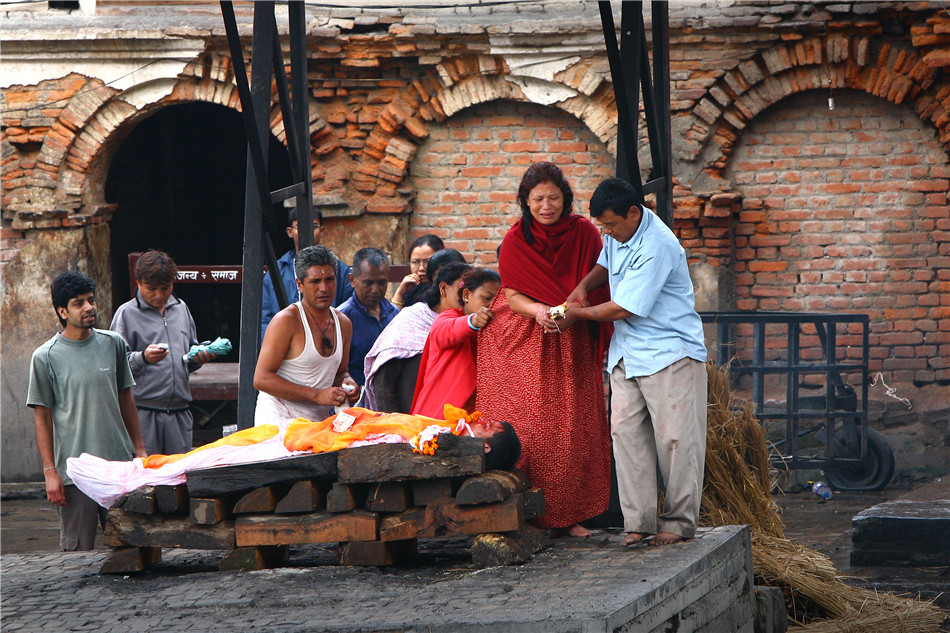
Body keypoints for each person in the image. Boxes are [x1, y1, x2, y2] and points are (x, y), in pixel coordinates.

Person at [557, 177, 708, 547]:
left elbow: (624, 307)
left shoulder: (658, 245)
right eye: (602, 227)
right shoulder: (619, 233)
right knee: (626, 436)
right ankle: (638, 520)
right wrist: (582, 287)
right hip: (627, 353)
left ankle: (677, 522)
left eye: (611, 225)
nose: (607, 233)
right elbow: (605, 262)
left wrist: (577, 314)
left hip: (670, 352)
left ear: (634, 213)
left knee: (676, 439)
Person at [476, 161, 612, 538]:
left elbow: (600, 275)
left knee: (572, 426)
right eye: (538, 199)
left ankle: (570, 515)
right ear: (526, 201)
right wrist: (538, 310)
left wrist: (574, 307)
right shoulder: (517, 238)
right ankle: (526, 511)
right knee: (532, 426)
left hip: (573, 333)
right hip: (524, 339)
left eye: (553, 197)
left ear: (565, 199)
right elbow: (514, 294)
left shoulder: (584, 232)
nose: (546, 205)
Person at [67, 405, 522, 509]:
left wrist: (350, 422)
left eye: (492, 426)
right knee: (228, 447)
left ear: (485, 445)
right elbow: (394, 423)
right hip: (315, 429)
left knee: (221, 457)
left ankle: (133, 476)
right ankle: (145, 470)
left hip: (317, 440)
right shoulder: (449, 430)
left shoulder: (446, 437)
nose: (486, 419)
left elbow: (395, 431)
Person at [27, 271, 147, 550]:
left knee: (129, 548)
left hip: (118, 467)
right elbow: (42, 417)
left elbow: (125, 396)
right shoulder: (45, 357)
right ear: (62, 311)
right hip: (74, 473)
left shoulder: (113, 343)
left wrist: (139, 449)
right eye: (78, 303)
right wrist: (50, 472)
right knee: (77, 553)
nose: (89, 307)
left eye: (91, 300)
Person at [110, 250, 215, 456]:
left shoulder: (181, 309)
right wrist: (143, 358)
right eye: (152, 289)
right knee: (147, 481)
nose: (159, 295)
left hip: (179, 413)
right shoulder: (126, 314)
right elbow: (114, 365)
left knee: (180, 479)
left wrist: (199, 358)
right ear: (138, 283)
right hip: (143, 415)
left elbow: (188, 357)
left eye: (165, 288)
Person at [254, 245, 361, 426]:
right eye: (315, 281)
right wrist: (317, 395)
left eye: (329, 279)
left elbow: (340, 372)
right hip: (277, 421)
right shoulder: (286, 321)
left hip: (316, 425)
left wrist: (348, 384)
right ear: (300, 285)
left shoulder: (343, 323)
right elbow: (261, 379)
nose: (323, 288)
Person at [364, 259, 471, 413]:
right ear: (443, 289)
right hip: (406, 421)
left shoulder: (468, 327)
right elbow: (384, 381)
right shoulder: (412, 319)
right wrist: (397, 425)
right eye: (462, 291)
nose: (466, 298)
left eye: (470, 293)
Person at [412, 267, 500, 419]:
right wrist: (472, 321)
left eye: (497, 301)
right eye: (486, 298)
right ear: (466, 295)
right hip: (438, 419)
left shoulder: (494, 331)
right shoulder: (448, 317)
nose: (492, 306)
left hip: (474, 421)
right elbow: (446, 331)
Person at [261, 208, 353, 345]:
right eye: (300, 227)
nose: (307, 231)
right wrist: (272, 347)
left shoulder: (339, 270)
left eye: (314, 226)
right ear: (290, 232)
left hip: (327, 345)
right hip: (284, 346)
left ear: (321, 231)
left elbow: (348, 310)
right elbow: (265, 317)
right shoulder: (278, 271)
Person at [338, 248, 398, 386]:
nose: (375, 289)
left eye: (382, 283)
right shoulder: (342, 318)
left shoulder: (394, 314)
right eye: (368, 283)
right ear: (352, 280)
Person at [391, 234, 444, 309]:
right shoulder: (410, 288)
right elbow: (393, 318)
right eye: (415, 262)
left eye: (427, 262)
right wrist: (400, 293)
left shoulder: (445, 290)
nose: (421, 268)